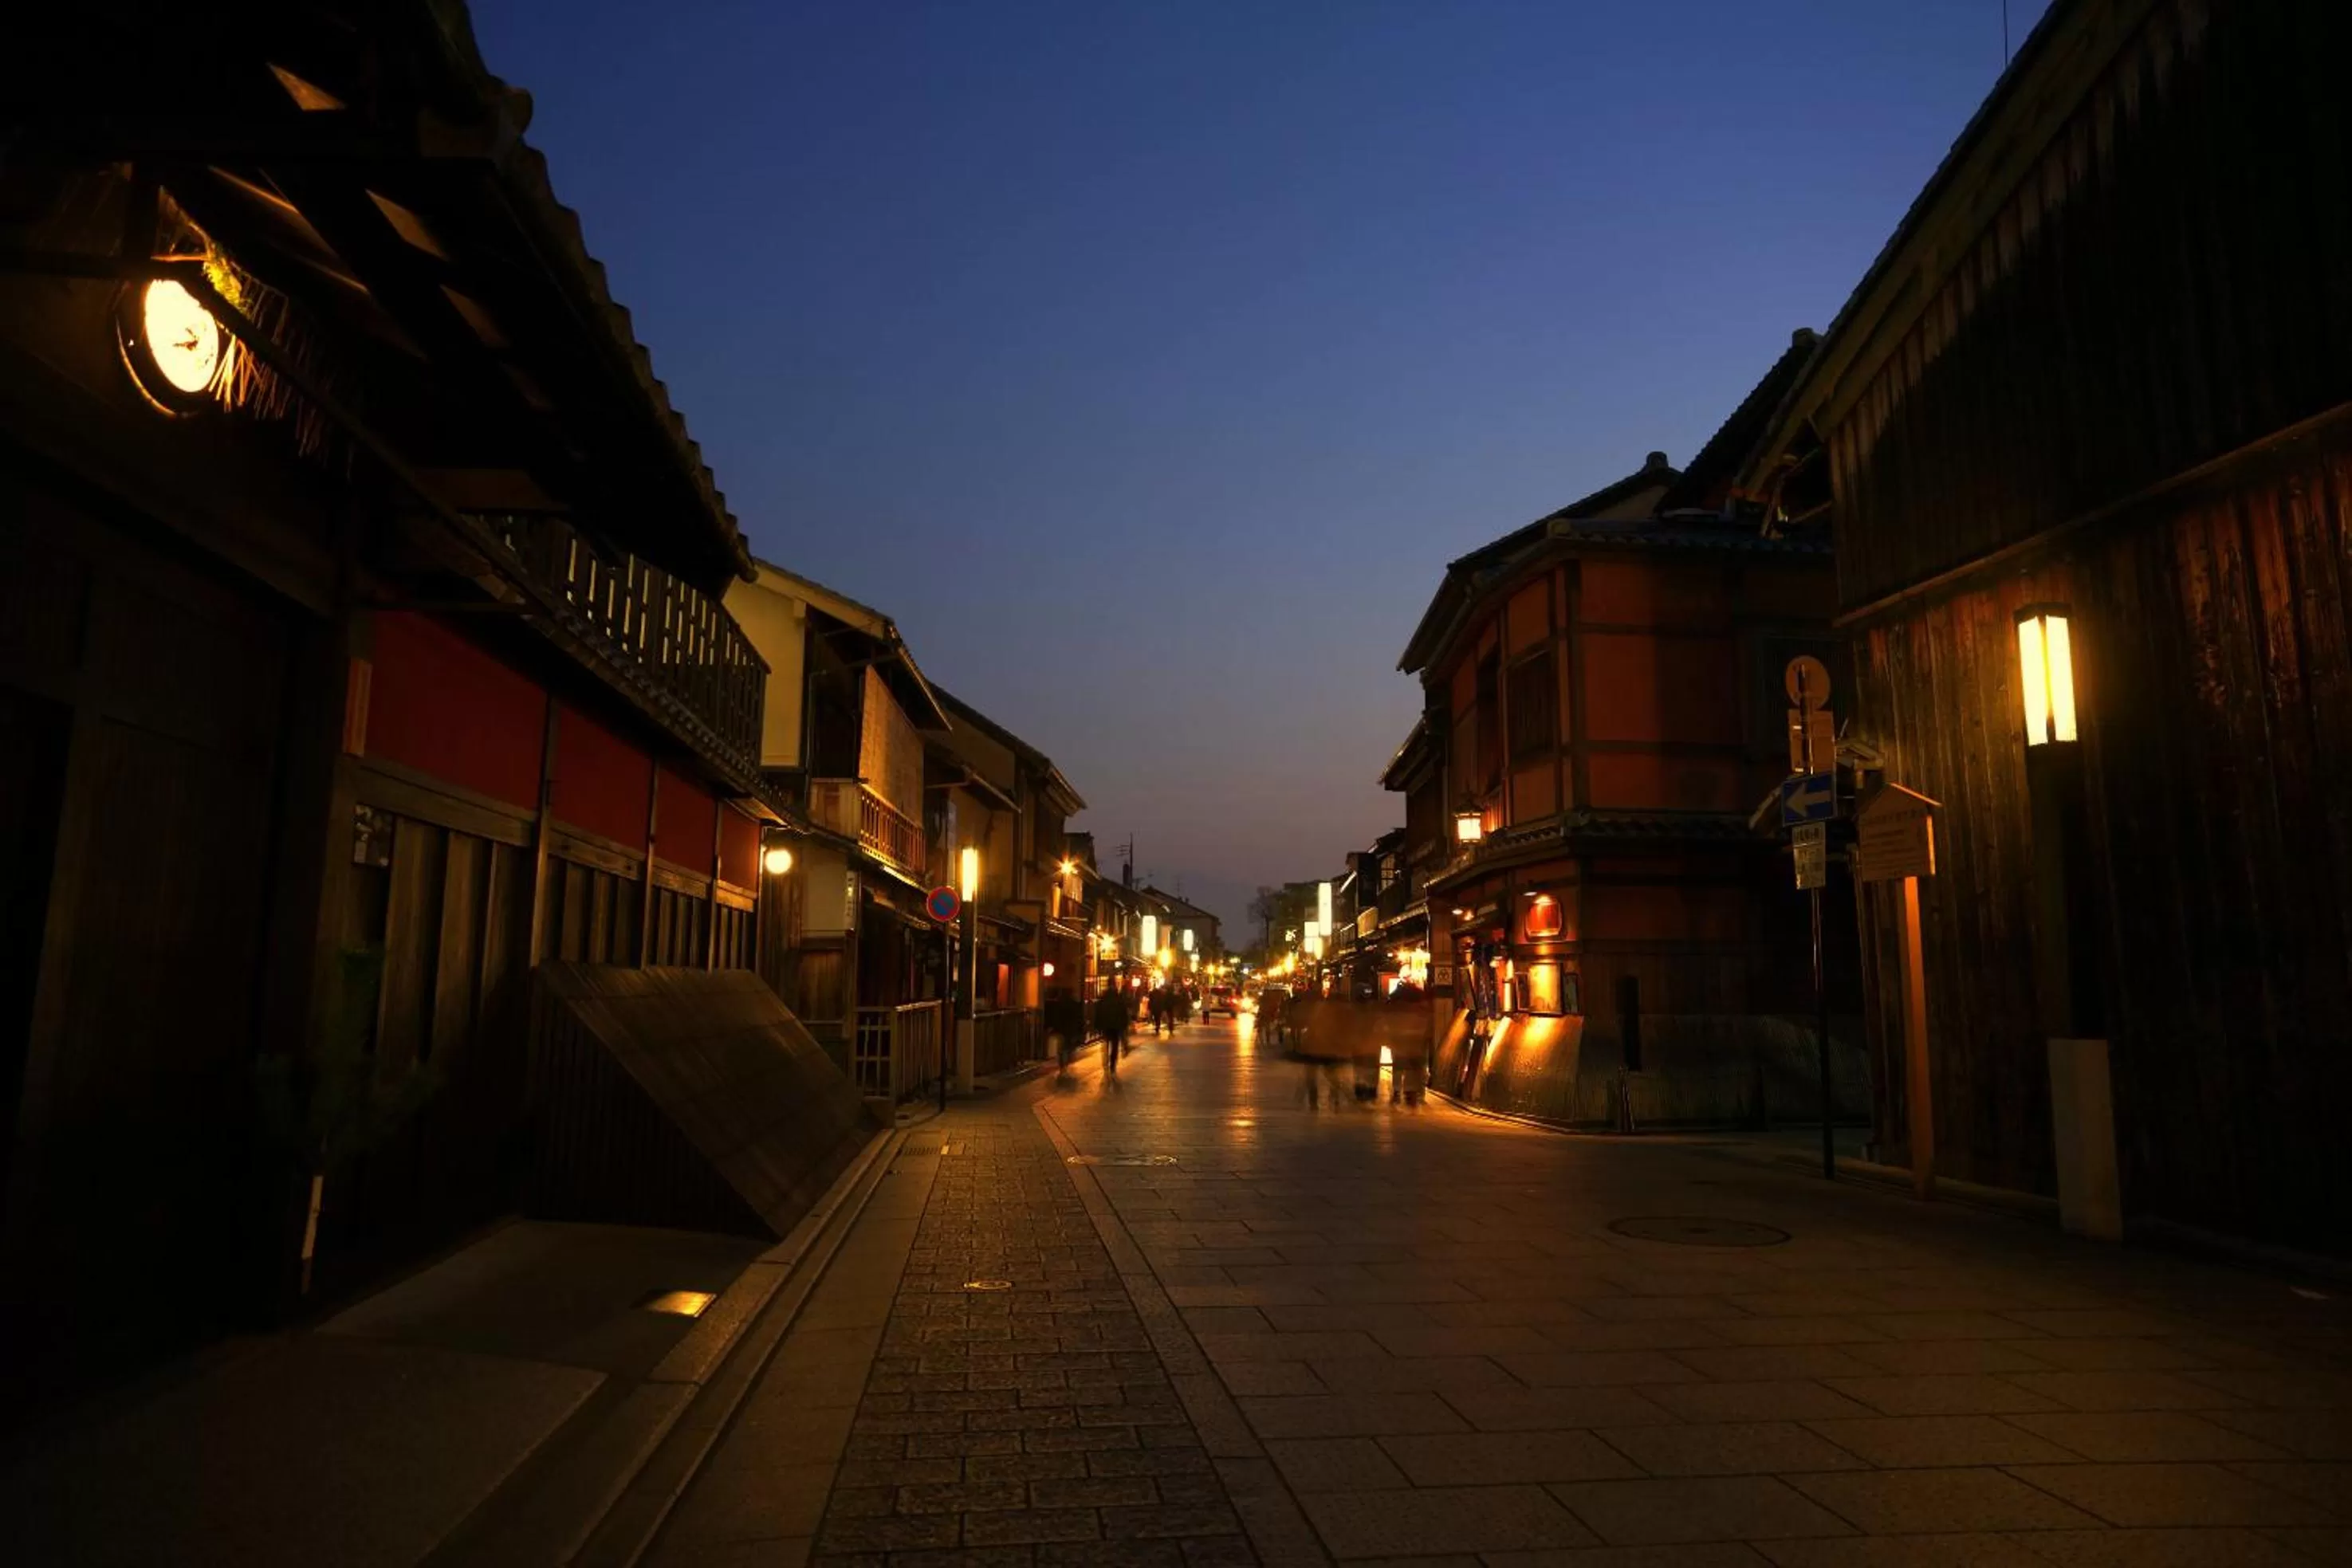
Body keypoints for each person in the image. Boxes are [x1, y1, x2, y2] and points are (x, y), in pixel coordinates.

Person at [1092, 985, 1130, 1076]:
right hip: (1116, 1027)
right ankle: (1112, 1064)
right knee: (1115, 1046)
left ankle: (1105, 1062)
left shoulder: (1102, 1002)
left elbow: (1098, 1014)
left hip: (1106, 1026)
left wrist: (1097, 1026)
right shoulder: (1120, 1002)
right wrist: (1124, 1026)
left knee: (1105, 1044)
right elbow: (1124, 1015)